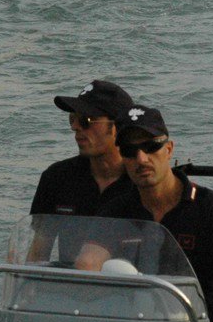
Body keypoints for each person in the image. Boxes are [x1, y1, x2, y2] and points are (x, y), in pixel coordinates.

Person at [90, 105, 213, 322]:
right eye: (130, 151)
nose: (142, 159)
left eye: (151, 147)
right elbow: (87, 265)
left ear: (168, 150)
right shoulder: (116, 211)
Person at [30, 80, 136, 218]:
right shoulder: (56, 178)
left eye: (86, 120)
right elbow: (41, 237)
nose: (75, 126)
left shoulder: (142, 181)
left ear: (118, 127)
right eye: (72, 118)